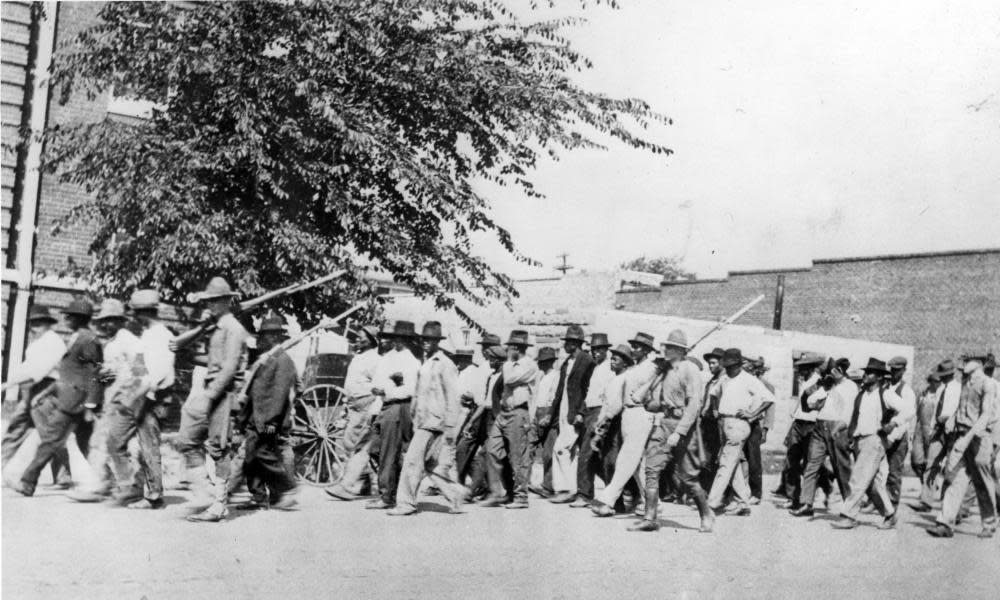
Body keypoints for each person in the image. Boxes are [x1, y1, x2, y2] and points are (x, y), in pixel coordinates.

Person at [14, 299, 103, 497]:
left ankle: (27, 482)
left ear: (80, 318)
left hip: (76, 402)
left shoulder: (88, 340)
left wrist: (90, 405)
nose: (66, 319)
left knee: (52, 439)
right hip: (68, 399)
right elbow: (66, 374)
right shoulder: (76, 338)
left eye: (70, 316)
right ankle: (102, 483)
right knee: (79, 444)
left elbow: (95, 373)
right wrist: (47, 393)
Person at [180, 277, 250, 523]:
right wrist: (189, 353)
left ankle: (219, 504)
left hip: (224, 392)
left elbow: (229, 367)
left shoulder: (233, 328)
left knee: (219, 448)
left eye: (216, 300)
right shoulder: (216, 327)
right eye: (209, 301)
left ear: (228, 301)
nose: (211, 305)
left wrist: (209, 396)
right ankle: (204, 494)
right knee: (187, 440)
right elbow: (213, 362)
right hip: (211, 388)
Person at [632, 329, 714, 533]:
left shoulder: (689, 370)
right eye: (665, 346)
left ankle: (706, 514)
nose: (664, 349)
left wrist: (680, 432)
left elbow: (694, 404)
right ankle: (650, 517)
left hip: (682, 424)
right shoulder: (664, 370)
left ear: (679, 349)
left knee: (687, 477)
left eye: (669, 347)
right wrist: (655, 374)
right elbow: (642, 400)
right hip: (663, 422)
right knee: (651, 468)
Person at [389, 322, 469, 515]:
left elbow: (453, 396)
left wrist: (451, 426)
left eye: (431, 340)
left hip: (435, 422)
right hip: (423, 421)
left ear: (438, 342)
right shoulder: (426, 363)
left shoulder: (444, 364)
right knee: (430, 465)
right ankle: (456, 494)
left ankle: (406, 503)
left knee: (411, 462)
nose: (426, 343)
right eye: (424, 339)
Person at [70, 299, 139, 503]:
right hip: (109, 398)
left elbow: (138, 369)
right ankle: (109, 482)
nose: (105, 325)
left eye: (111, 320)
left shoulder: (128, 340)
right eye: (103, 320)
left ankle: (98, 485)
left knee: (103, 441)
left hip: (122, 398)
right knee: (102, 441)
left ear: (120, 321)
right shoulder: (111, 341)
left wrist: (126, 388)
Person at [926, 355, 997, 538]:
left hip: (980, 438)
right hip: (961, 435)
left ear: (979, 364)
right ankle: (945, 523)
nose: (964, 364)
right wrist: (952, 420)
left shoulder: (988, 384)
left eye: (968, 361)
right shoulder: (965, 382)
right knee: (953, 477)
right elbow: (960, 407)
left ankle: (989, 524)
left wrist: (967, 439)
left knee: (982, 482)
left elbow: (985, 416)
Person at [591, 332, 658, 517]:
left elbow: (652, 393)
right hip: (627, 414)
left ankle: (607, 500)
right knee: (637, 464)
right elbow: (620, 399)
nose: (634, 350)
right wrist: (607, 418)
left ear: (646, 350)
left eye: (637, 347)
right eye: (633, 346)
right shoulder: (633, 370)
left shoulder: (652, 368)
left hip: (641, 414)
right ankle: (653, 502)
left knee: (626, 459)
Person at [234, 316, 298, 510]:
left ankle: (287, 487)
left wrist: (272, 420)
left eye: (265, 335)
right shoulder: (266, 358)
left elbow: (279, 393)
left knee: (262, 454)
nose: (260, 339)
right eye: (260, 335)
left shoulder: (283, 360)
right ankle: (259, 497)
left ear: (276, 337)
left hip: (268, 419)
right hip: (255, 415)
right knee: (251, 457)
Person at [707, 348, 774, 517]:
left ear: (739, 364)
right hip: (724, 422)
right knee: (732, 463)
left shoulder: (748, 380)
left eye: (731, 366)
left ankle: (710, 504)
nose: (728, 368)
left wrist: (753, 414)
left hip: (739, 424)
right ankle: (743, 502)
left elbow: (769, 398)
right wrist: (716, 410)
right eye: (726, 365)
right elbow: (713, 394)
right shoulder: (724, 378)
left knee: (725, 463)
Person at [831, 358, 898, 530]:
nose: (866, 375)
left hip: (875, 439)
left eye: (870, 373)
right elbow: (851, 417)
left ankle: (849, 515)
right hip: (860, 441)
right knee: (873, 483)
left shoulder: (885, 394)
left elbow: (908, 410)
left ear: (880, 377)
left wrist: (893, 424)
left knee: (858, 479)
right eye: (866, 372)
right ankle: (889, 514)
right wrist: (839, 428)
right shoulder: (861, 395)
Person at [365, 320, 420, 510]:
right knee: (376, 448)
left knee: (389, 451)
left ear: (408, 340)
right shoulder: (388, 357)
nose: (398, 341)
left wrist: (387, 390)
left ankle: (387, 495)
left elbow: (409, 390)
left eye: (402, 338)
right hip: (383, 405)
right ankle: (390, 489)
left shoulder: (411, 361)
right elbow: (377, 382)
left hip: (398, 406)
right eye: (395, 338)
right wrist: (381, 390)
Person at [2, 305, 66, 467]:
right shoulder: (37, 343)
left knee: (49, 435)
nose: (33, 328)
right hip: (31, 389)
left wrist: (7, 385)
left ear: (48, 324)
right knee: (15, 428)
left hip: (48, 391)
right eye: (32, 324)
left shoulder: (54, 342)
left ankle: (63, 476)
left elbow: (38, 371)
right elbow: (26, 367)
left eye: (38, 324)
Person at [325, 325, 382, 501]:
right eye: (357, 337)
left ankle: (348, 485)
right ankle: (364, 483)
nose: (357, 340)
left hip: (366, 404)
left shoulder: (375, 360)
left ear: (371, 340)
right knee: (351, 443)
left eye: (361, 337)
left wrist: (373, 408)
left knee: (360, 444)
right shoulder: (359, 357)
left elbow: (379, 387)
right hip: (354, 405)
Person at [792, 358, 855, 516]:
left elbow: (850, 411)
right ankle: (806, 503)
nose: (831, 373)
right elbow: (809, 402)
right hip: (820, 426)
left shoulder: (850, 387)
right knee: (812, 465)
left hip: (838, 427)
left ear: (842, 371)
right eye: (830, 370)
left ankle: (850, 506)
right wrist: (823, 387)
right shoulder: (827, 384)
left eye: (834, 371)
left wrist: (843, 427)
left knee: (841, 468)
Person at [481, 330, 537, 508]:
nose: (510, 348)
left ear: (519, 348)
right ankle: (500, 491)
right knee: (492, 449)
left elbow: (510, 378)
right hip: (504, 412)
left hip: (519, 412)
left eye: (513, 346)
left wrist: (508, 364)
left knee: (517, 456)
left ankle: (521, 496)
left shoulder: (529, 365)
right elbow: (502, 384)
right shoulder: (511, 364)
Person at [548, 325, 595, 504]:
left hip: (576, 412)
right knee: (569, 451)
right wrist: (551, 414)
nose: (565, 345)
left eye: (568, 342)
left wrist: (582, 412)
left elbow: (589, 389)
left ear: (575, 343)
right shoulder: (567, 362)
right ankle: (570, 488)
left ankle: (567, 489)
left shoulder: (587, 361)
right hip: (564, 411)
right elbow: (560, 391)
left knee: (560, 448)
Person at [781, 354, 832, 509]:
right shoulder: (804, 382)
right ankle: (793, 497)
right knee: (792, 460)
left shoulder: (821, 382)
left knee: (811, 463)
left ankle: (827, 489)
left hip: (812, 424)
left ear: (810, 368)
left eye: (803, 369)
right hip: (798, 423)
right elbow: (798, 405)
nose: (800, 372)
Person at [570, 333, 615, 508]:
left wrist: (601, 417)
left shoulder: (609, 368)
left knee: (586, 455)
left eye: (599, 350)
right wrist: (582, 412)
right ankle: (619, 492)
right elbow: (589, 393)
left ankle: (585, 494)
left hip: (600, 412)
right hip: (589, 411)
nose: (596, 353)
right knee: (593, 457)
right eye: (594, 350)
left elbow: (608, 395)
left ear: (606, 350)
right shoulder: (595, 368)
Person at [914, 359, 962, 510]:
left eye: (946, 375)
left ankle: (950, 507)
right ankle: (926, 501)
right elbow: (935, 412)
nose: (944, 377)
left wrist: (948, 418)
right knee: (931, 464)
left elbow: (959, 411)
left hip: (953, 431)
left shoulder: (959, 389)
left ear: (952, 374)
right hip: (938, 431)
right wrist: (933, 427)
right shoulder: (940, 389)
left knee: (951, 468)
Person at [880, 356, 917, 507]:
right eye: (893, 370)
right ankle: (874, 500)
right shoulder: (886, 387)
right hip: (882, 433)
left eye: (898, 370)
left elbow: (906, 418)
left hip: (898, 436)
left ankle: (892, 504)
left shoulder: (907, 391)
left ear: (903, 371)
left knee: (894, 473)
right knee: (875, 470)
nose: (894, 373)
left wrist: (892, 437)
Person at [528, 346, 559, 498]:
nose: (539, 364)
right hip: (537, 412)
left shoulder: (556, 376)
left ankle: (548, 486)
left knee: (548, 452)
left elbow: (554, 397)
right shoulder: (540, 376)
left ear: (549, 362)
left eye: (542, 362)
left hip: (548, 413)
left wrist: (548, 416)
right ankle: (523, 482)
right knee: (528, 447)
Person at [699, 347, 726, 492]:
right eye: (709, 363)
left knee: (714, 456)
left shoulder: (724, 379)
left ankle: (710, 490)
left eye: (714, 363)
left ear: (722, 363)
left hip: (717, 423)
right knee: (705, 456)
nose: (710, 366)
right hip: (707, 422)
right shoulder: (712, 380)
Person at [911, 372, 942, 481]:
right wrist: (912, 430)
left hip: (932, 428)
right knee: (916, 459)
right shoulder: (923, 394)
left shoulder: (940, 395)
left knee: (931, 460)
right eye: (935, 381)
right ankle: (922, 480)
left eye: (939, 381)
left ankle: (929, 485)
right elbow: (915, 412)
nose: (937, 384)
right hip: (919, 428)